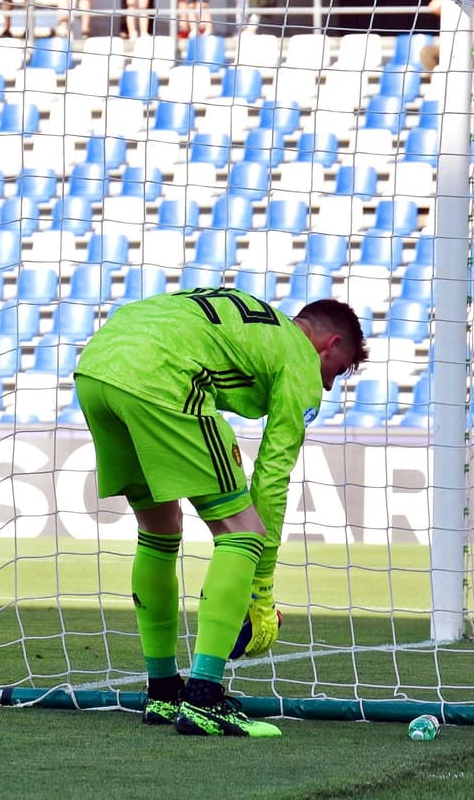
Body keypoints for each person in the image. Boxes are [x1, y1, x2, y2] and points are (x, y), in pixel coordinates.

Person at [73, 289, 367, 737]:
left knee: (159, 529)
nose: (328, 385)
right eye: (339, 371)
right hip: (160, 374)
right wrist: (261, 591)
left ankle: (163, 691)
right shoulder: (302, 360)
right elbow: (271, 476)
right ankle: (204, 699)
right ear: (331, 346)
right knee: (243, 532)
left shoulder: (258, 323)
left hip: (96, 367)